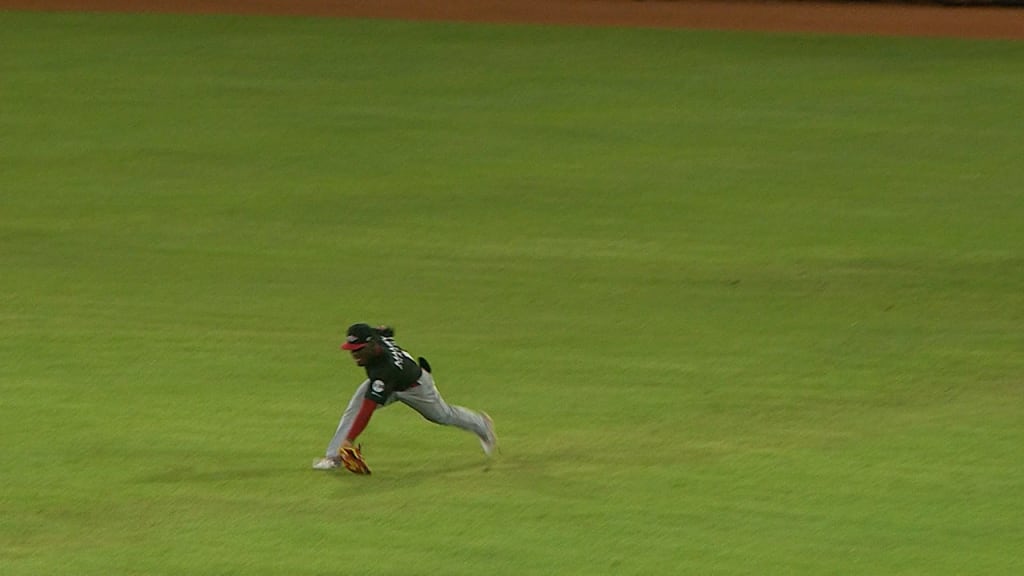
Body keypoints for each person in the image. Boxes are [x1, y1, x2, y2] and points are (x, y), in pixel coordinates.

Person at [313, 323, 497, 471]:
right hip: (395, 379)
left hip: (416, 387)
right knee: (353, 407)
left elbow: (367, 409)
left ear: (370, 345)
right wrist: (385, 330)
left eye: (358, 350)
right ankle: (334, 457)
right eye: (351, 350)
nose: (354, 355)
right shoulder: (376, 338)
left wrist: (351, 438)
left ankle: (482, 424)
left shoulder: (384, 370)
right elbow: (386, 331)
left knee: (442, 416)